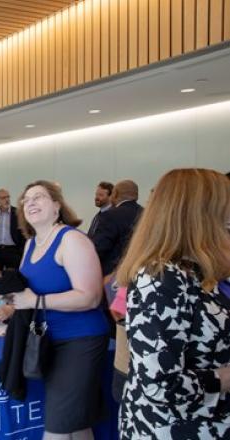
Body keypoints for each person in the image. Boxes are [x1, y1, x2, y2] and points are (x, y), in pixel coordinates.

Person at [116, 169, 230, 440]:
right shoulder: (160, 278)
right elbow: (159, 384)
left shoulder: (203, 268)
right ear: (200, 212)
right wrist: (225, 377)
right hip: (178, 428)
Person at [11, 180, 109, 439]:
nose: (30, 202)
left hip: (80, 341)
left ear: (56, 206)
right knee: (76, 424)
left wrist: (37, 301)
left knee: (57, 428)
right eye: (26, 199)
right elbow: (28, 292)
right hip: (47, 342)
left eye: (38, 197)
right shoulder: (30, 244)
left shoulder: (72, 240)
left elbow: (90, 297)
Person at [92, 179, 143, 276]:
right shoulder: (146, 214)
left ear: (115, 194)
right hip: (139, 274)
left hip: (113, 276)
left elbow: (98, 249)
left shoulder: (109, 216)